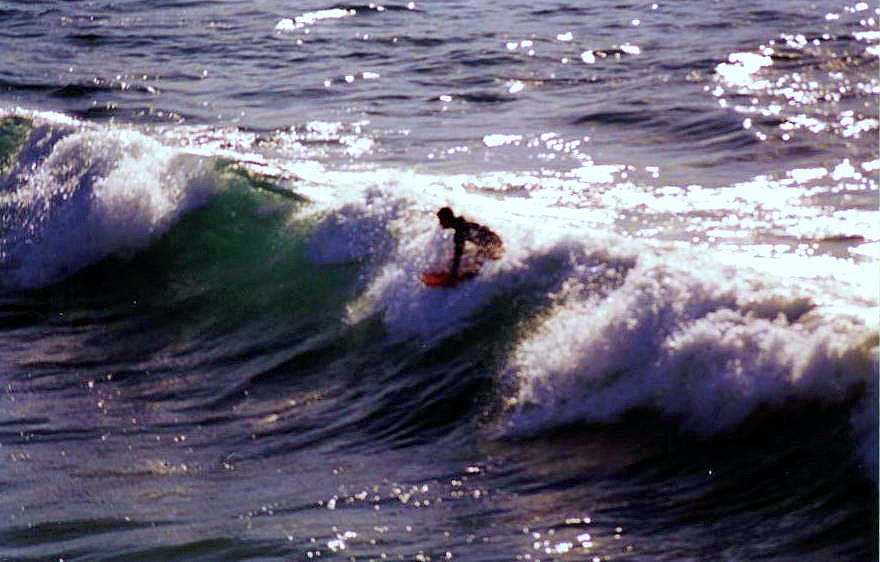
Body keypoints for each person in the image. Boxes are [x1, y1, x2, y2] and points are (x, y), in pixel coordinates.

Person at [436, 206, 503, 279]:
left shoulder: (460, 231)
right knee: (470, 256)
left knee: (473, 269)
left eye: (441, 220)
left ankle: (473, 278)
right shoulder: (462, 222)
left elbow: (458, 256)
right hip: (494, 241)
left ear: (447, 220)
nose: (440, 223)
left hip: (492, 245)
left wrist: (453, 275)